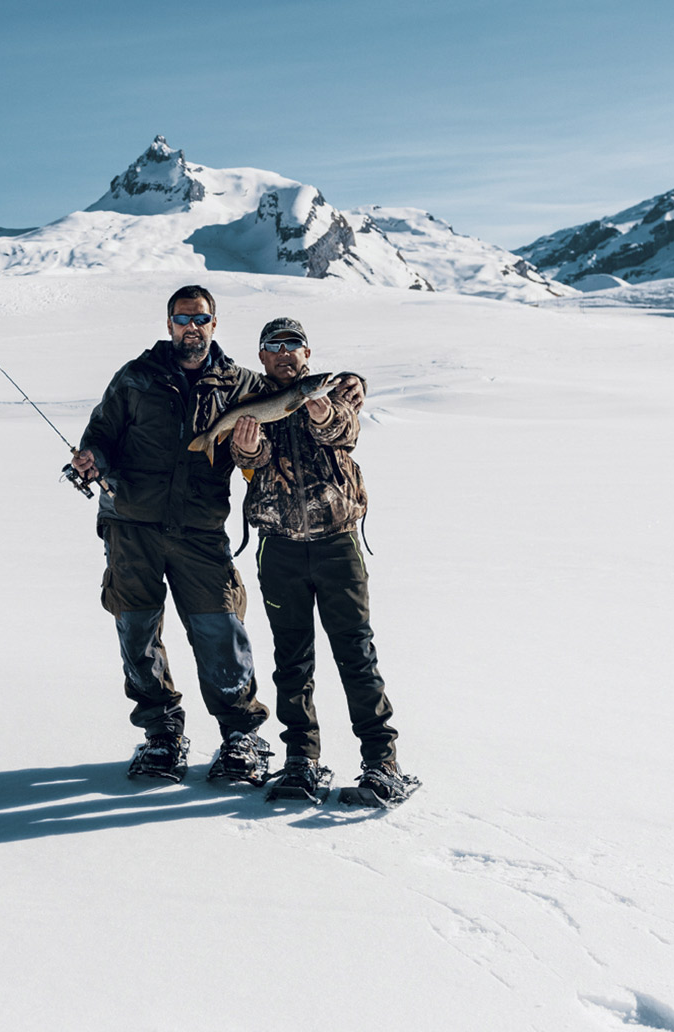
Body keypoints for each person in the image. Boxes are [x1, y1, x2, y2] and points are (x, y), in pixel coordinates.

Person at [68, 285, 273, 784]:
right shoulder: (136, 377)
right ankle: (161, 733)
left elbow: (264, 449)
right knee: (137, 630)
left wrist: (250, 451)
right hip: (131, 524)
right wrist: (92, 458)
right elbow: (102, 434)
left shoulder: (240, 384)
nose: (192, 327)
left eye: (200, 318)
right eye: (183, 319)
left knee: (220, 629)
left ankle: (241, 734)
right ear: (168, 325)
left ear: (214, 324)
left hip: (200, 530)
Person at [228, 316, 418, 806]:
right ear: (263, 357)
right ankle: (301, 759)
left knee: (356, 653)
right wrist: (246, 449)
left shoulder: (334, 397)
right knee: (292, 660)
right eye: (275, 346)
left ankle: (381, 761)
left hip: (338, 544)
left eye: (295, 345)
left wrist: (319, 412)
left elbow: (344, 433)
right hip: (278, 549)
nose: (285, 353)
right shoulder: (249, 403)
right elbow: (251, 458)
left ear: (308, 356)